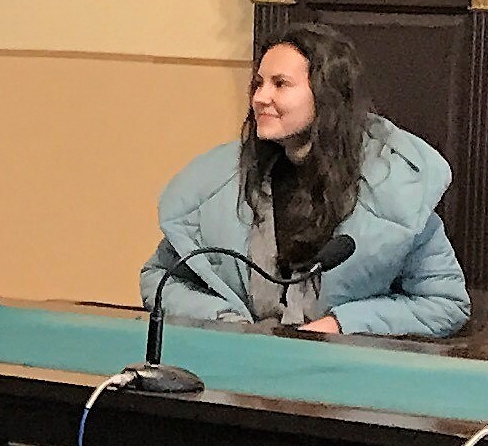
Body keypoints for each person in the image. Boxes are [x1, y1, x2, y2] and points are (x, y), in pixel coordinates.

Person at [144, 25, 468, 339]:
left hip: (340, 366)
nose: (261, 97)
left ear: (326, 95)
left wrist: (341, 324)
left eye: (280, 84)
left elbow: (445, 304)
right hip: (241, 361)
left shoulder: (396, 186)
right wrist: (225, 320)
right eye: (258, 83)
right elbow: (159, 278)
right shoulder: (219, 183)